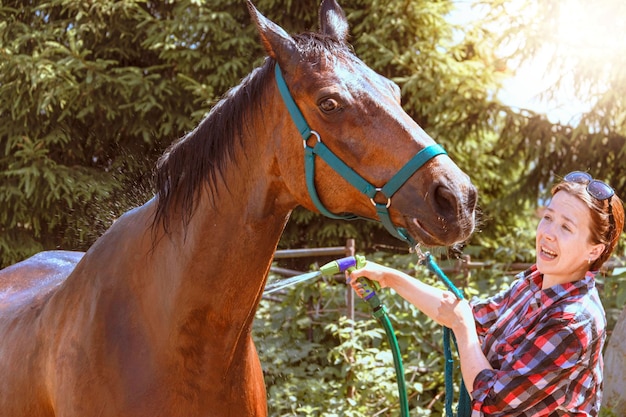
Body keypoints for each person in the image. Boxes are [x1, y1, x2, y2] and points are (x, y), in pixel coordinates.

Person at [348, 171, 624, 416]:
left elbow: (494, 401)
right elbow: (469, 314)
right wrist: (389, 277)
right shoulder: (534, 283)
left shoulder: (573, 321)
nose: (548, 233)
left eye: (566, 227)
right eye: (548, 217)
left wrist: (462, 326)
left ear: (594, 251)